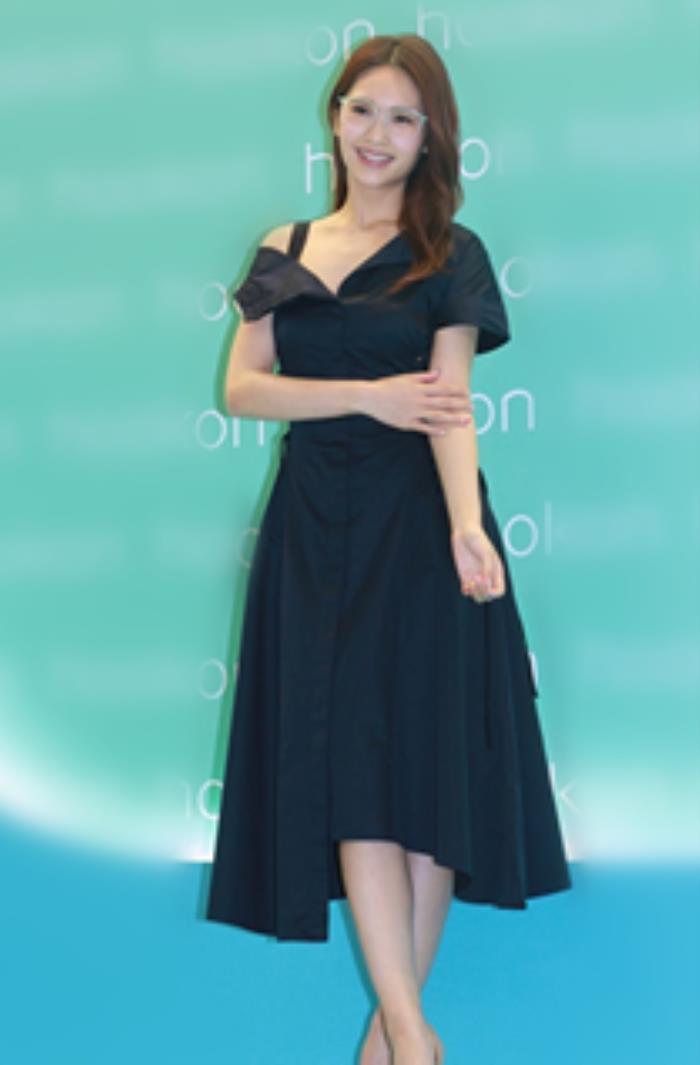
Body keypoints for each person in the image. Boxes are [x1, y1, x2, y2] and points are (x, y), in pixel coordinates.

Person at [205, 32, 572, 1065]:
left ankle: (393, 1037)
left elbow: (450, 406)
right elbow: (243, 389)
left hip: (418, 532)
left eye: (403, 119)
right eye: (363, 109)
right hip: (314, 532)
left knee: (425, 784)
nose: (378, 133)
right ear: (334, 116)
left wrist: (466, 528)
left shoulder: (449, 252)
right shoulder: (285, 245)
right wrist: (366, 395)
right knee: (354, 775)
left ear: (430, 139)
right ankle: (412, 1036)